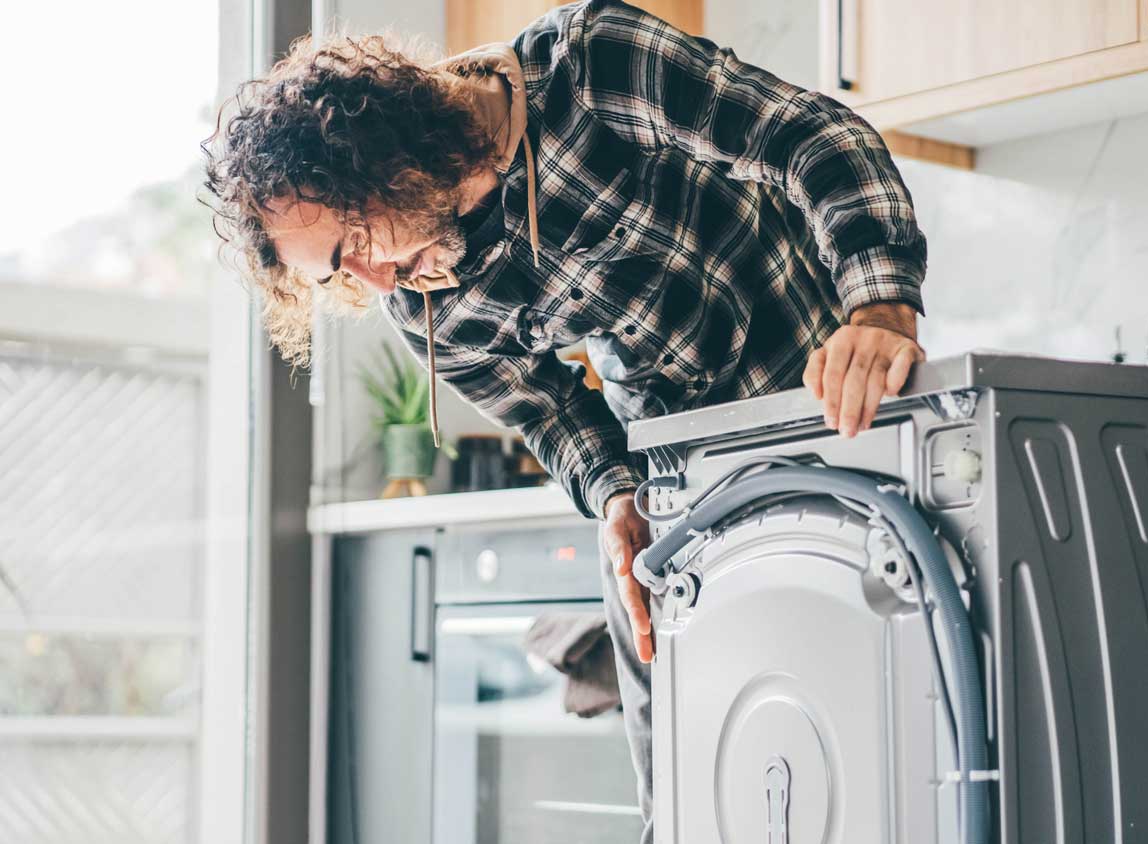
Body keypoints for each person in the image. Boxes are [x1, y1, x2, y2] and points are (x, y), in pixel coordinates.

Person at [203, 2, 926, 838]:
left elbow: (811, 139)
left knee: (870, 722)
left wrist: (879, 307)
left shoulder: (591, 69)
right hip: (680, 473)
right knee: (684, 770)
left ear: (384, 150)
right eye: (337, 273)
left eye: (355, 235)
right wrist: (617, 497)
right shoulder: (425, 301)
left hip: (828, 403)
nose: (372, 280)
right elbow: (550, 411)